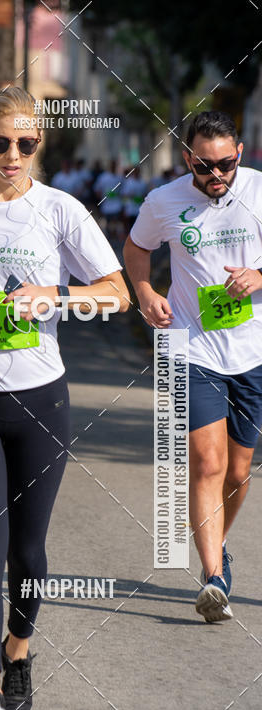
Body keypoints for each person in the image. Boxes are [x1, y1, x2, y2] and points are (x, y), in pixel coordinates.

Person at [0, 86, 129, 710]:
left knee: (30, 552)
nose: (14, 155)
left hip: (42, 400)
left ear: (39, 144)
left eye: (27, 143)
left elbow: (118, 294)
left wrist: (58, 295)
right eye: (0, 143)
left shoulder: (60, 211)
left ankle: (18, 650)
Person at [123, 110, 262, 623]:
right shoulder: (164, 201)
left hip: (253, 351)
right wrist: (144, 292)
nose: (216, 175)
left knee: (240, 469)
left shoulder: (259, 191)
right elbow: (136, 248)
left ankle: (218, 544)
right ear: (187, 158)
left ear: (239, 155)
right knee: (207, 462)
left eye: (225, 163)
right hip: (191, 346)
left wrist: (259, 275)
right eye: (205, 166)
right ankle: (212, 577)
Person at [94, 160, 123, 238]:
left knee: (116, 221)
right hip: (106, 204)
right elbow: (97, 189)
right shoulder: (103, 177)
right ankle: (110, 236)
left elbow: (123, 189)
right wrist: (100, 199)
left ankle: (115, 236)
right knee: (108, 221)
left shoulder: (119, 177)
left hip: (117, 203)